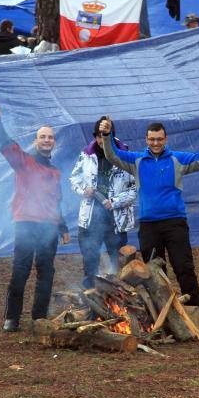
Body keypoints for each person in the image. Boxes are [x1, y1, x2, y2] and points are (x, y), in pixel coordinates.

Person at [98, 117, 199, 307]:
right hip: (149, 225)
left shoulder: (177, 159)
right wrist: (106, 135)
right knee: (154, 271)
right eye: (152, 139)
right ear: (146, 140)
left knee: (183, 267)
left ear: (166, 139)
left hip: (175, 222)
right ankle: (163, 310)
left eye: (159, 139)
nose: (156, 143)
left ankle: (197, 307)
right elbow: (113, 155)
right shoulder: (137, 160)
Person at [0, 105, 70, 332]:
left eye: (50, 137)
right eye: (42, 137)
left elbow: (56, 201)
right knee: (21, 270)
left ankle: (38, 318)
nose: (46, 140)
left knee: (46, 273)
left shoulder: (54, 171)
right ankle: (11, 319)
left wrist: (63, 228)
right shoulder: (24, 162)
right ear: (36, 141)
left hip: (49, 228)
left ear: (54, 142)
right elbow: (7, 145)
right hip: (26, 223)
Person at [70, 117, 137, 289]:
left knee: (118, 266)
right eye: (99, 136)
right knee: (90, 264)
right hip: (90, 221)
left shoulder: (126, 157)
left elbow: (135, 189)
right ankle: (91, 301)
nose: (101, 140)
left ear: (112, 136)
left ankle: (119, 301)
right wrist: (84, 190)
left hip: (116, 222)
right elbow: (73, 179)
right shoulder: (86, 155)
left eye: (105, 135)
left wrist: (114, 202)